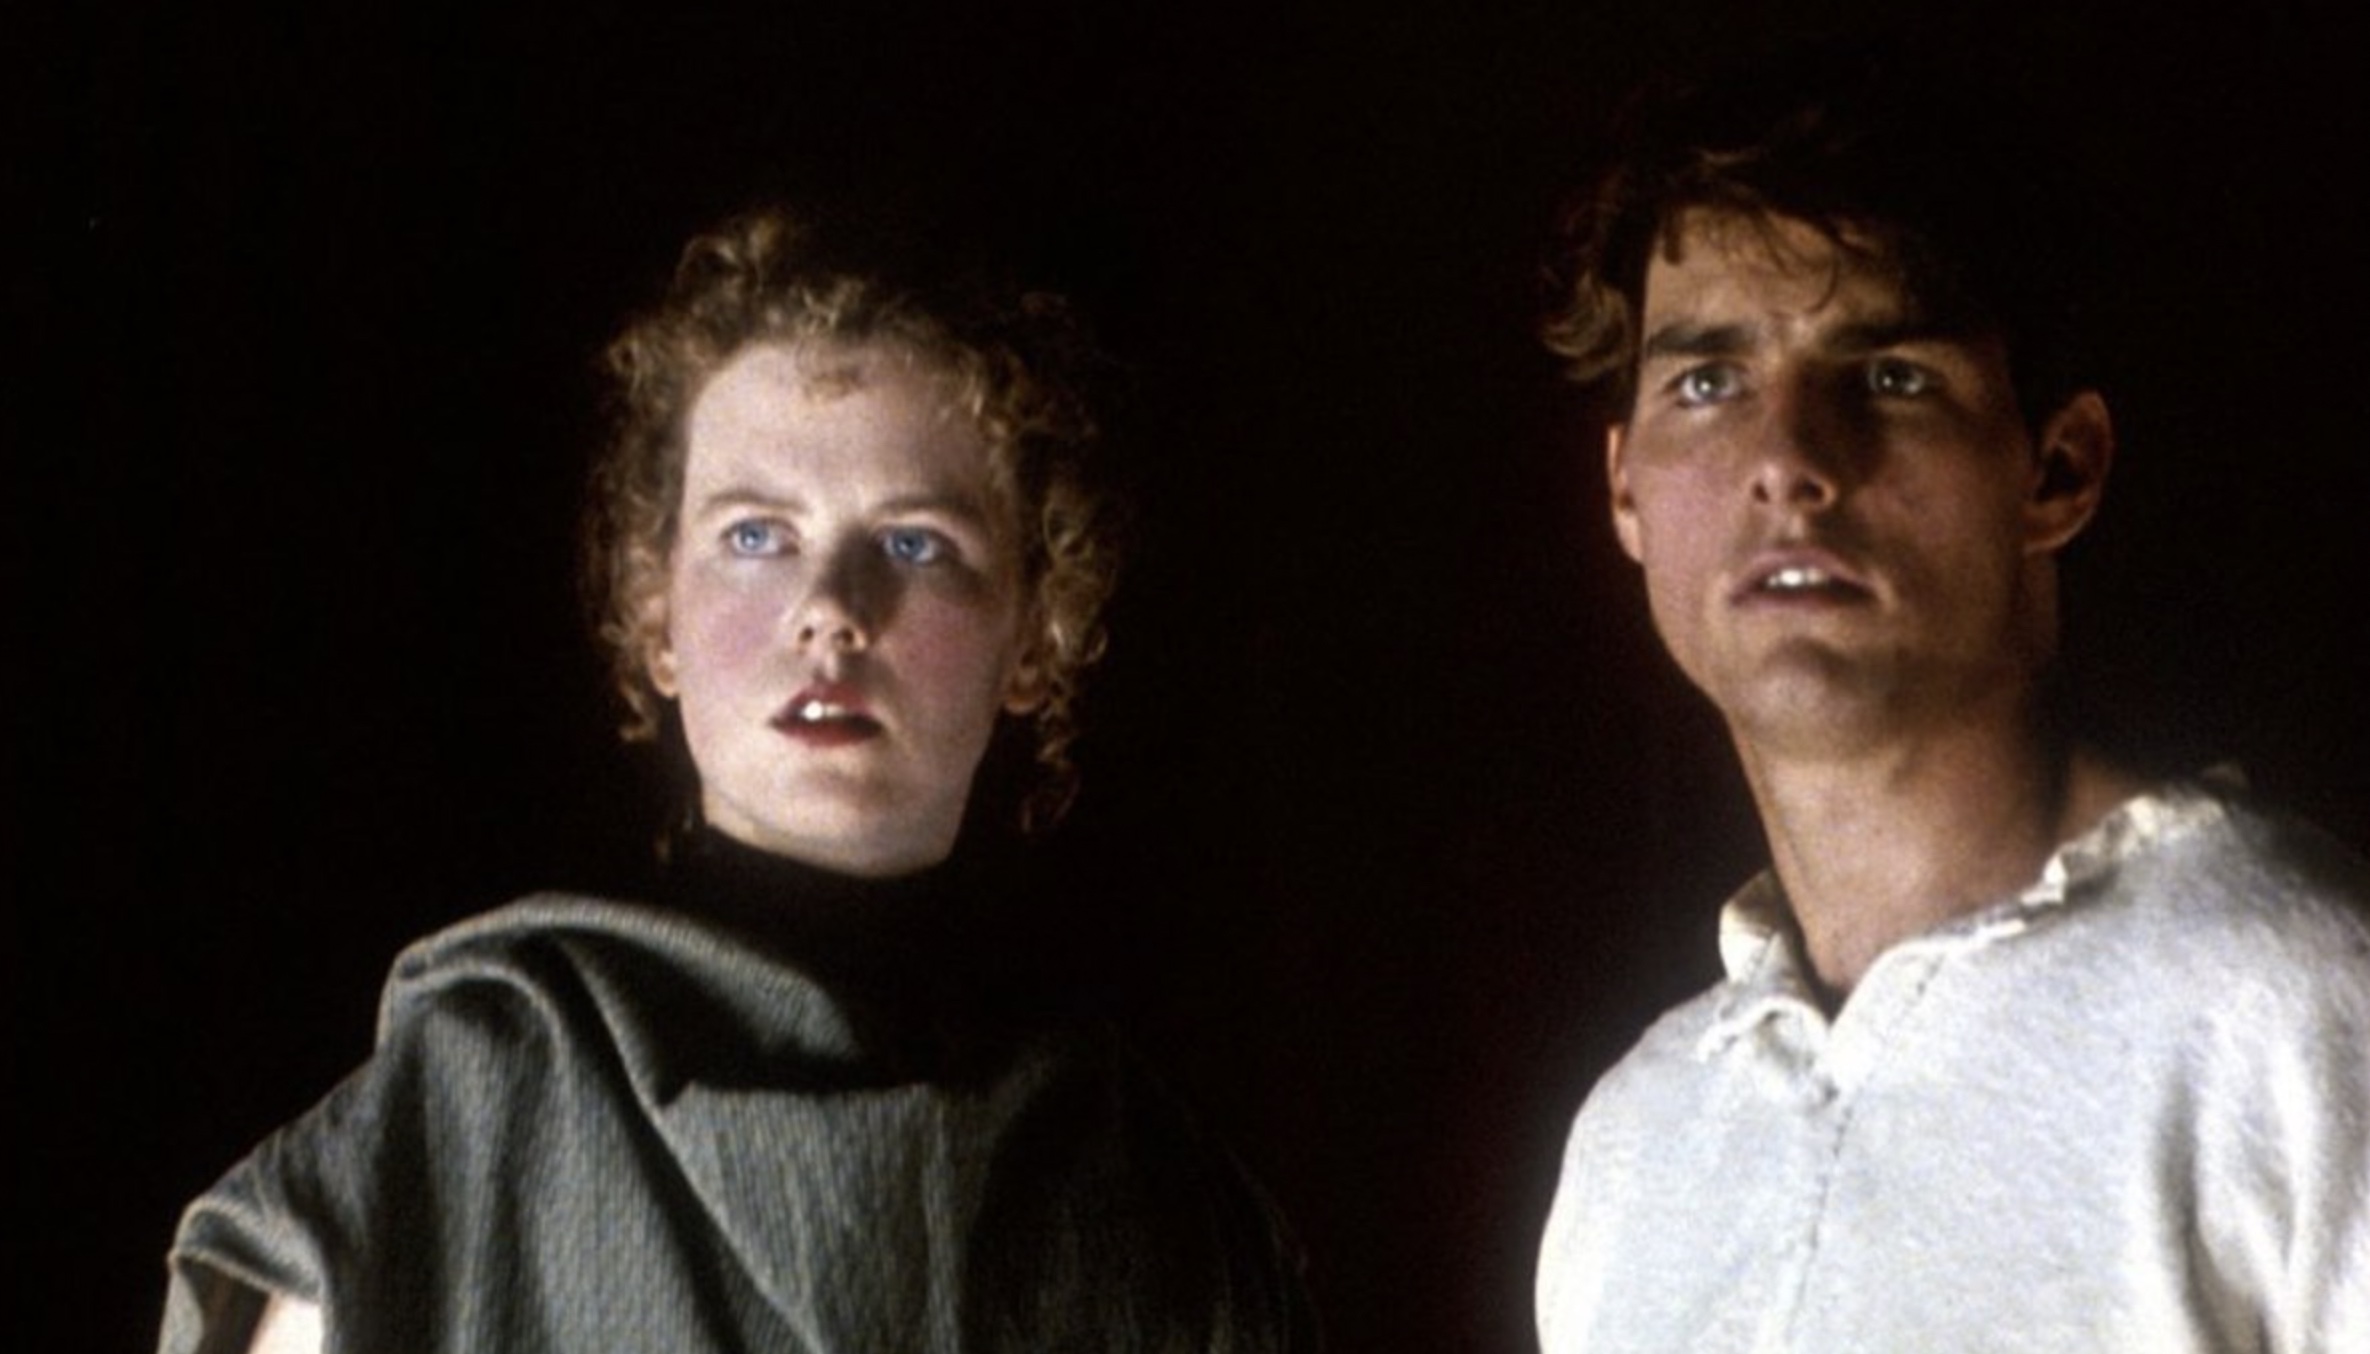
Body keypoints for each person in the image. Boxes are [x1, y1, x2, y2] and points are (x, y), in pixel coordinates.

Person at [158, 207, 1316, 1354]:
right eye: (757, 536)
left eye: (914, 542)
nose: (831, 610)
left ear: (1033, 632)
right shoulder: (449, 1133)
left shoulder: (1163, 1209)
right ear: (655, 614)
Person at [1531, 44, 2370, 1353]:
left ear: (2057, 469)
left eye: (1890, 376)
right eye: (1707, 381)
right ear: (1625, 487)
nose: (1786, 461)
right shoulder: (1637, 1149)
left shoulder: (2295, 1002)